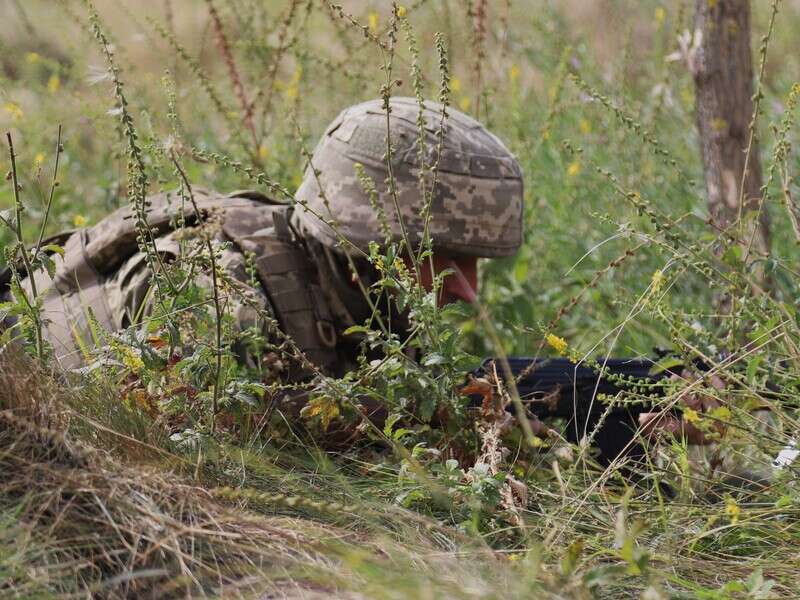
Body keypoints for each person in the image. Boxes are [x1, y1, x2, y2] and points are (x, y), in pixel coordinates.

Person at [1, 98, 524, 409]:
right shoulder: (216, 296)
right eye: (440, 255)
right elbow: (207, 458)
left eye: (475, 261)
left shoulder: (362, 297)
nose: (467, 288)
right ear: (358, 241)